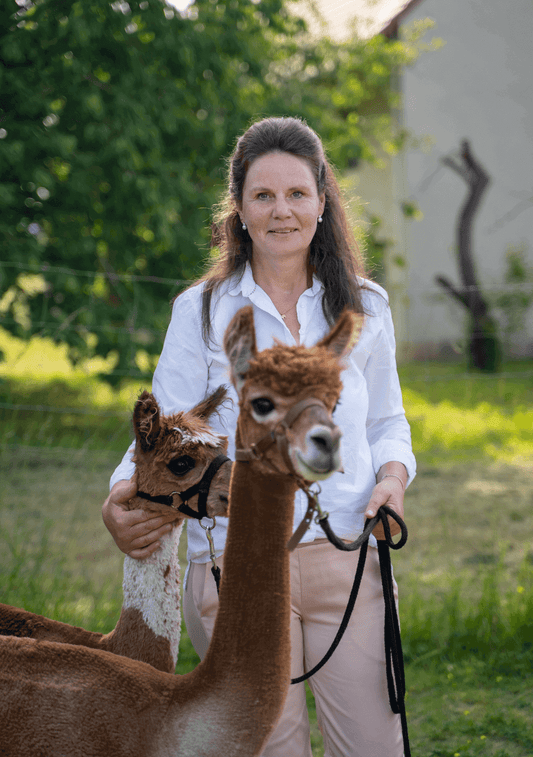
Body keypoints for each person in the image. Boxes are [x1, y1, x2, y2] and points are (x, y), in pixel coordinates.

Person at [103, 116, 416, 757]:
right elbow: (166, 428)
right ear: (239, 209)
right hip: (235, 563)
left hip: (346, 553)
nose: (282, 211)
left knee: (375, 746)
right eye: (263, 196)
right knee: (269, 749)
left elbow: (387, 420)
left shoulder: (365, 306)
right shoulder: (202, 310)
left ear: (322, 203)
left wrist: (392, 479)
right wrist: (122, 495)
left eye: (297, 194)